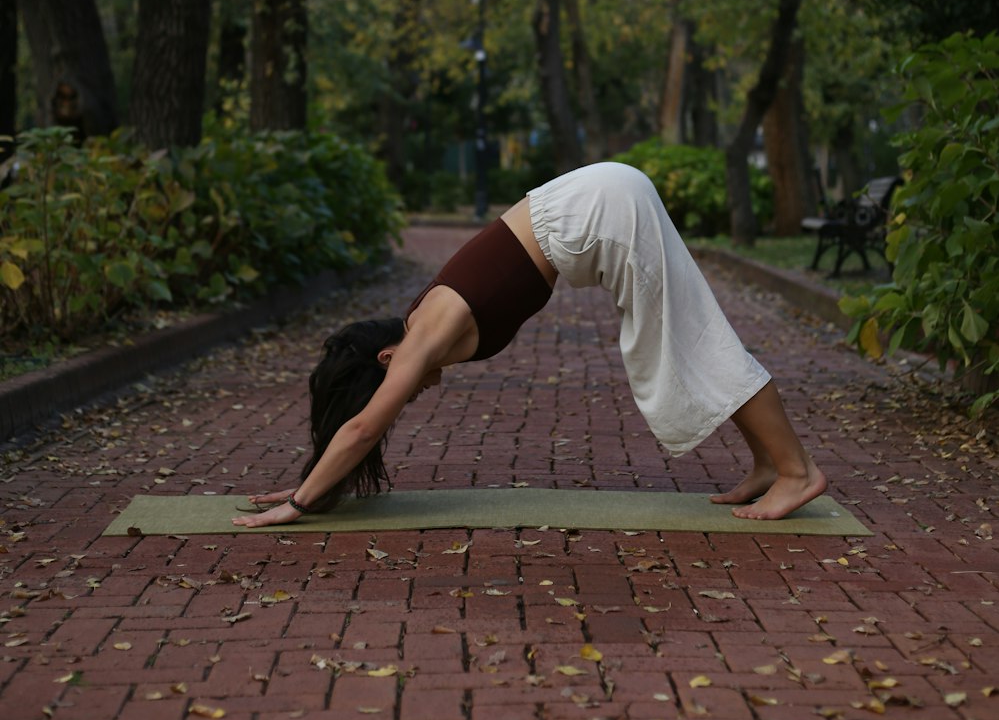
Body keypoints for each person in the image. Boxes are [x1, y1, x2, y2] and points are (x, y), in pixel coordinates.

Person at [233, 162, 826, 530]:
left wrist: (303, 503)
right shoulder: (423, 319)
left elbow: (362, 429)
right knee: (694, 338)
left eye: (396, 389)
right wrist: (315, 477)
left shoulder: (423, 334)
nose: (409, 394)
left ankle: (797, 470)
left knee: (695, 342)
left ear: (388, 359)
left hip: (603, 212)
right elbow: (358, 428)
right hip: (600, 202)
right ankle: (772, 463)